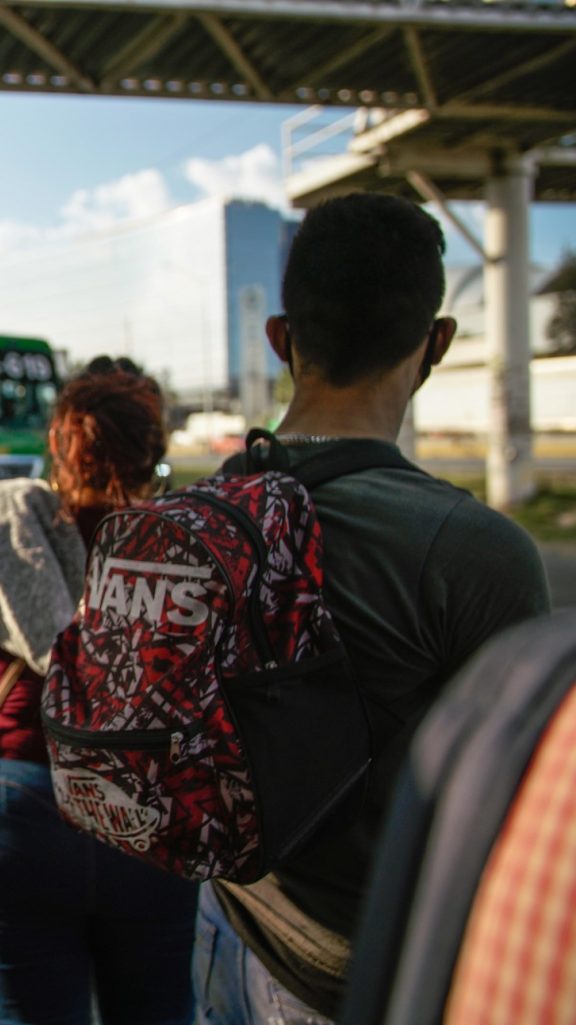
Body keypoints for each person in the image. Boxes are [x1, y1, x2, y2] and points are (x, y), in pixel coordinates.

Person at [193, 192, 550, 1024]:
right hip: (350, 970)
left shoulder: (212, 507)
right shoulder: (474, 547)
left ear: (282, 337)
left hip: (224, 918)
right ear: (436, 344)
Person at [0, 366, 197, 1025]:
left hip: (12, 797)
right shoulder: (185, 539)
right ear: (153, 448)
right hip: (150, 801)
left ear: (58, 439)